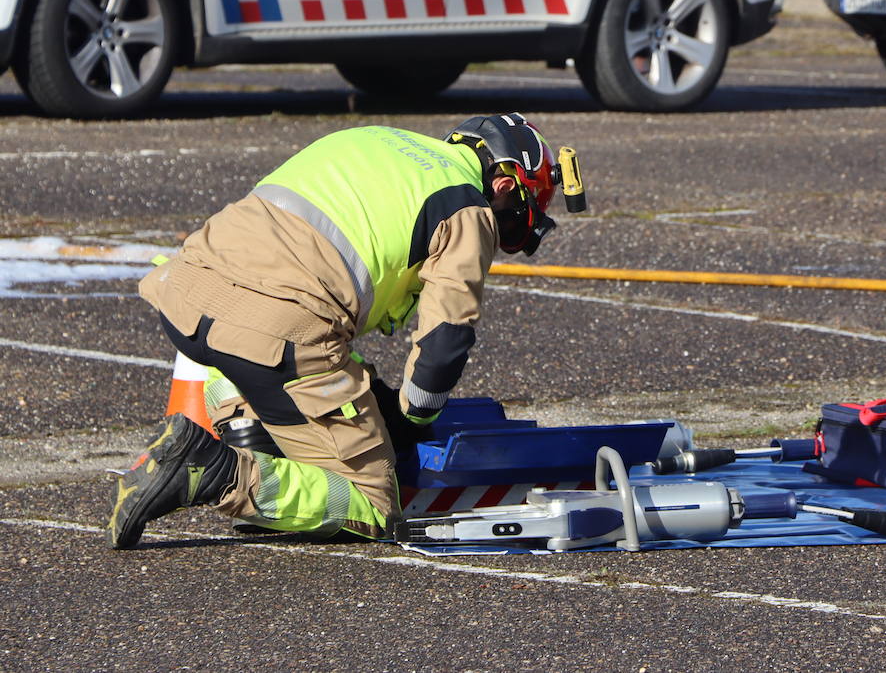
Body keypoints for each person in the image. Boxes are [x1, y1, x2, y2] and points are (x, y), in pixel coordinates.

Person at [107, 114, 583, 548]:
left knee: (308, 365)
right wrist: (411, 420)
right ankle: (215, 472)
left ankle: (251, 432)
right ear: (505, 185)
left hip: (188, 296)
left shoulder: (377, 139)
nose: (510, 233)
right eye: (521, 215)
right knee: (373, 504)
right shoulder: (467, 208)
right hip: (268, 335)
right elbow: (444, 344)